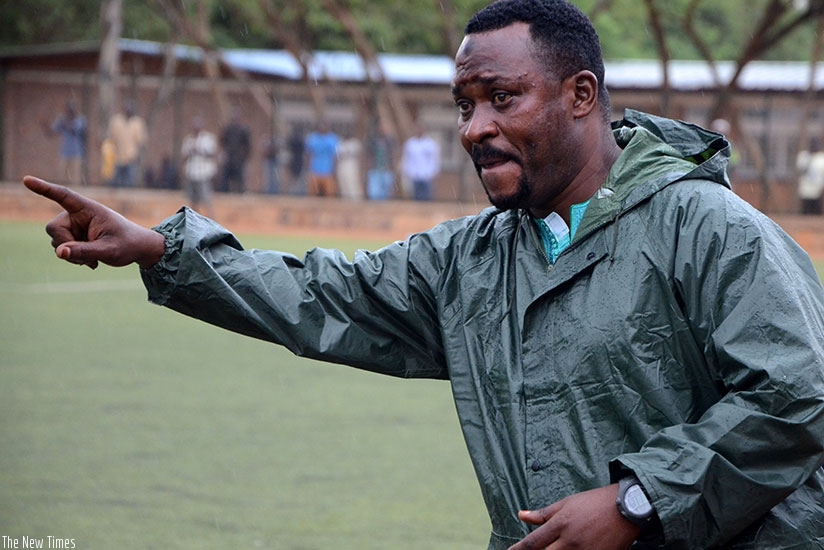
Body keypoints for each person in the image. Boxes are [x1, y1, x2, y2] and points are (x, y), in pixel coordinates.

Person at [21, 0, 824, 548]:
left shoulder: (705, 227)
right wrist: (164, 250)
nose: (476, 128)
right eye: (464, 105)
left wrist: (636, 501)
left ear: (582, 95)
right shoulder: (471, 259)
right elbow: (320, 293)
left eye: (502, 98)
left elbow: (799, 395)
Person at [181, 116, 217, 218]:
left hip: (203, 173)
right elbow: (184, 156)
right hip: (191, 172)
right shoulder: (188, 140)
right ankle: (195, 219)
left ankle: (211, 219)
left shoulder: (207, 139)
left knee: (206, 199)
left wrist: (200, 151)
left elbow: (212, 154)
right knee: (192, 200)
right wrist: (191, 151)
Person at [44, 99, 87, 186]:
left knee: (75, 179)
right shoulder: (62, 119)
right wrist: (44, 125)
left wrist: (64, 122)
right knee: (61, 176)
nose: (71, 112)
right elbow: (51, 133)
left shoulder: (80, 120)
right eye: (69, 110)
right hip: (64, 152)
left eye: (72, 110)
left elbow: (74, 130)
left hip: (76, 153)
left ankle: (74, 195)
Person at [107, 100, 148, 188]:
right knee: (116, 182)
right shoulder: (116, 121)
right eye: (127, 108)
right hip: (117, 156)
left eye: (130, 109)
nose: (128, 110)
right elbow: (111, 138)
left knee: (129, 183)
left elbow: (141, 141)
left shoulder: (138, 123)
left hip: (131, 157)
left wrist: (139, 156)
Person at [401, 123, 441, 201]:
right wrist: (407, 171)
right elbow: (406, 159)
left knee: (426, 198)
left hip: (427, 175)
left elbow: (435, 159)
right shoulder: (410, 144)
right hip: (414, 175)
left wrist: (434, 171)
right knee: (415, 197)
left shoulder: (430, 144)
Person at [218, 107, 251, 194]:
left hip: (238, 157)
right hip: (229, 155)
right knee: (225, 176)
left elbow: (247, 144)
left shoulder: (243, 130)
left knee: (239, 177)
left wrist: (245, 156)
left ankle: (240, 193)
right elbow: (222, 141)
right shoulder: (227, 129)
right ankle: (224, 193)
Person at [304, 121, 340, 197]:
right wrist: (307, 167)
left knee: (330, 194)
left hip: (328, 170)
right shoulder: (312, 138)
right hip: (314, 169)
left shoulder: (333, 139)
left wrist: (335, 169)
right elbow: (308, 154)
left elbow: (335, 155)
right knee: (313, 194)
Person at [366, 124, 396, 200]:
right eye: (381, 129)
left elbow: (393, 155)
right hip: (375, 170)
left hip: (386, 171)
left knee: (386, 195)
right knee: (374, 194)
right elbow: (368, 155)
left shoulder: (390, 141)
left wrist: (392, 168)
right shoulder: (373, 141)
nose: (383, 130)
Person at [797, 137, 824, 215]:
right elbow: (801, 169)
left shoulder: (821, 157)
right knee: (805, 209)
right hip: (805, 187)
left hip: (816, 188)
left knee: (815, 209)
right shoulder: (804, 156)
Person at [336, 130, 364, 200]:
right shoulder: (340, 144)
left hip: (352, 165)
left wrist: (362, 168)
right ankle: (346, 202)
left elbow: (361, 156)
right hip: (342, 166)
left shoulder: (355, 143)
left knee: (353, 183)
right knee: (344, 184)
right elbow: (337, 157)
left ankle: (357, 200)